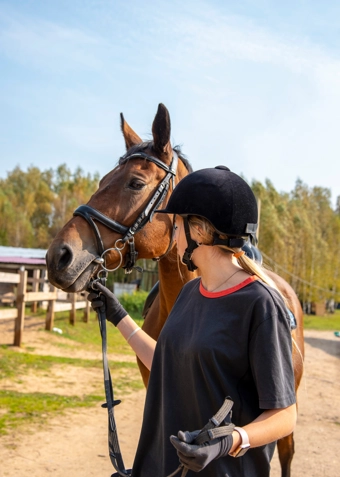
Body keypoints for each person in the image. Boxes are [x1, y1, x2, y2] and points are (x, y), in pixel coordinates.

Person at [88, 166, 297, 477]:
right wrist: (118, 315)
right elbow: (168, 362)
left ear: (199, 231)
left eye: (176, 227)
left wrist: (232, 441)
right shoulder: (189, 293)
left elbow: (285, 415)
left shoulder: (261, 305)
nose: (174, 237)